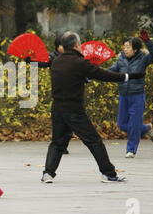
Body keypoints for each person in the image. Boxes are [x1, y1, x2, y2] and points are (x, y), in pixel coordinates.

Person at [43, 31, 145, 183]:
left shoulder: (57, 62)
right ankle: (109, 174)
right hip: (74, 110)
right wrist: (127, 76)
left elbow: (75, 78)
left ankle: (48, 173)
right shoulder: (80, 63)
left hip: (57, 109)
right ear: (77, 45)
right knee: (94, 141)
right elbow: (104, 75)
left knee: (57, 142)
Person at [108, 30, 153, 158]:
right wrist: (93, 72)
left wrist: (147, 41)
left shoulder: (143, 59)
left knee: (134, 124)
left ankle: (130, 150)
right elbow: (110, 72)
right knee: (122, 124)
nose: (125, 49)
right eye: (124, 46)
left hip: (137, 96)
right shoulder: (120, 59)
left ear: (135, 49)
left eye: (128, 47)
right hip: (123, 95)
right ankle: (146, 128)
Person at [25, 36, 73, 155]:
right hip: (59, 93)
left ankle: (64, 144)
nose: (64, 47)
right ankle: (59, 146)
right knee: (59, 122)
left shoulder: (73, 56)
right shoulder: (53, 57)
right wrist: (29, 60)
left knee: (70, 124)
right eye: (62, 45)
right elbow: (42, 62)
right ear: (57, 47)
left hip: (72, 92)